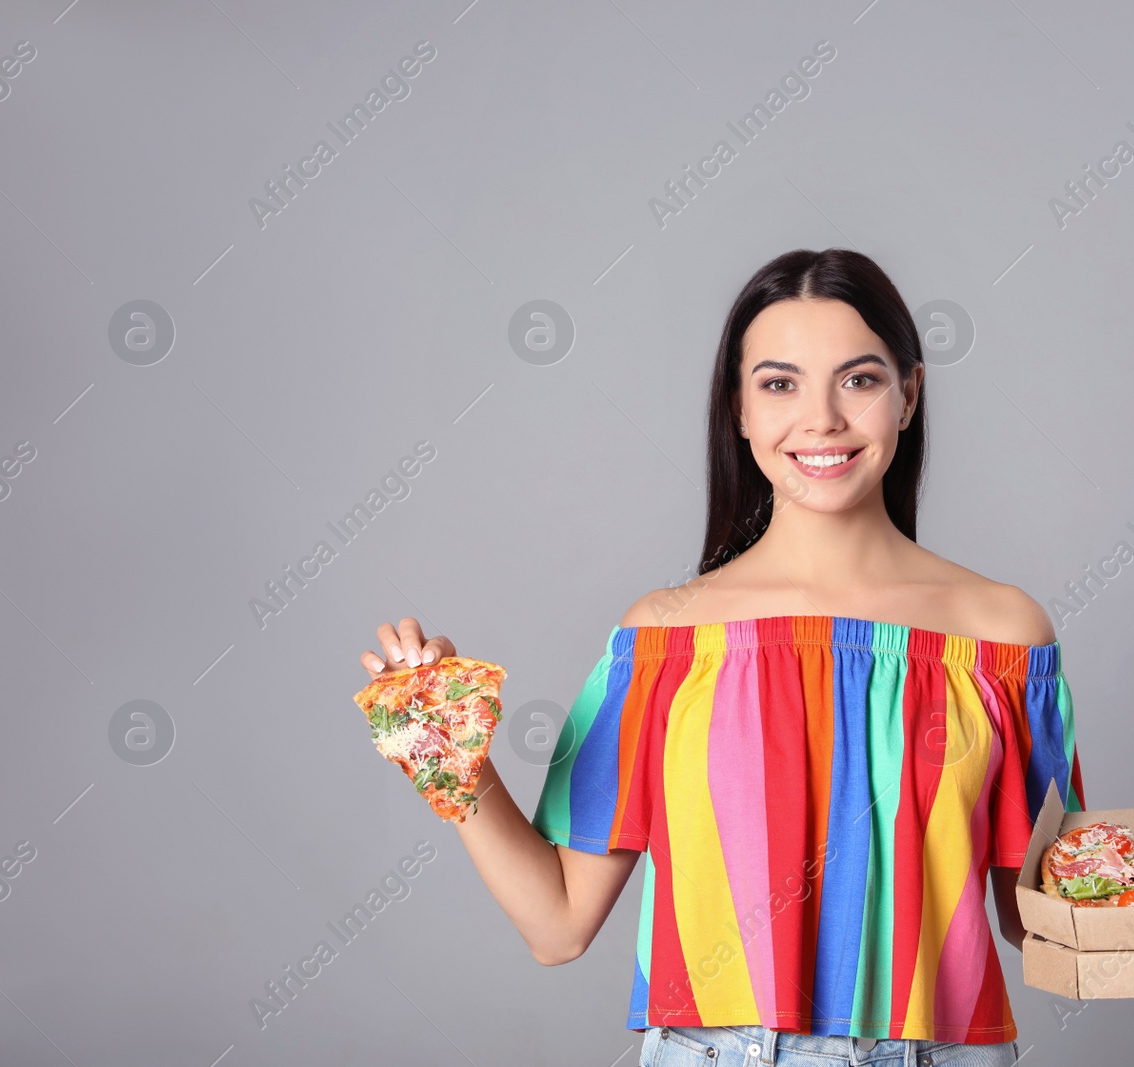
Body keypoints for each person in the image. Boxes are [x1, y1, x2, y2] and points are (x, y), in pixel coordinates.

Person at [359, 248, 1084, 1066]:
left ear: (908, 395)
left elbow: (1043, 923)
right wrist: (446, 757)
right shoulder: (665, 640)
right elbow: (556, 924)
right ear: (738, 409)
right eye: (780, 383)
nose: (821, 420)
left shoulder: (1006, 639)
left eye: (860, 379)